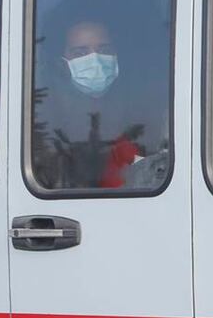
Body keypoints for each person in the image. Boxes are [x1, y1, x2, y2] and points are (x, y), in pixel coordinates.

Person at [32, 11, 169, 190]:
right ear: (62, 63)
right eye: (80, 52)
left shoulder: (142, 111)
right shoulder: (46, 115)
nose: (95, 59)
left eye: (104, 50)